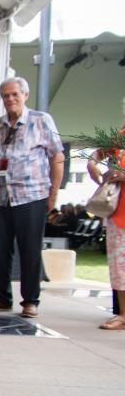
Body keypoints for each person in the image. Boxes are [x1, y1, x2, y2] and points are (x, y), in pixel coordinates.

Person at [0, 76, 64, 319]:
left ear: (25, 95)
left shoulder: (40, 120)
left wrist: (53, 193)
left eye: (15, 94)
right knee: (0, 248)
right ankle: (1, 297)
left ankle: (30, 300)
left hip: (31, 194)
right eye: (5, 95)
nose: (10, 99)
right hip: (0, 195)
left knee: (29, 248)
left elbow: (57, 157)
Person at [86, 105, 125, 330]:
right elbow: (97, 153)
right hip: (118, 210)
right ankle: (122, 315)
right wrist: (92, 163)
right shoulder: (120, 137)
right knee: (119, 267)